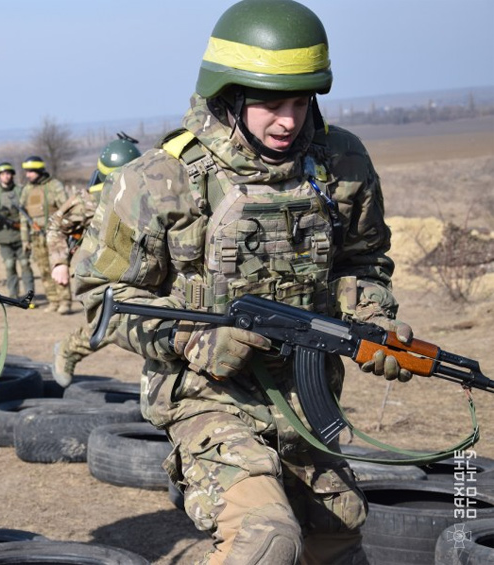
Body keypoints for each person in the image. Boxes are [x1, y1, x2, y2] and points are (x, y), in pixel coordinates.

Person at [74, 1, 415, 562]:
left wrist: (373, 320)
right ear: (230, 94)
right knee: (267, 540)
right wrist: (194, 337)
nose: (288, 120)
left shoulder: (343, 163)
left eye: (301, 102)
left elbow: (365, 262)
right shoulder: (159, 178)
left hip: (308, 400)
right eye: (270, 103)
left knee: (338, 533)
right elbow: (99, 298)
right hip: (205, 399)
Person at [48, 134, 141, 386]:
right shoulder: (88, 200)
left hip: (140, 269)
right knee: (111, 324)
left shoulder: (148, 193)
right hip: (101, 271)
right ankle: (69, 349)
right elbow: (56, 225)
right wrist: (59, 263)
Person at [19, 156, 71, 313]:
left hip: (54, 235)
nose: (27, 175)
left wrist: (62, 230)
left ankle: (65, 301)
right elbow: (23, 216)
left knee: (58, 266)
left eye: (30, 172)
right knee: (43, 269)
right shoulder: (27, 189)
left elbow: (66, 208)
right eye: (27, 171)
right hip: (36, 236)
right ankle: (53, 300)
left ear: (39, 171)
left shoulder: (54, 185)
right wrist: (25, 239)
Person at [0, 162, 34, 301]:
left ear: (12, 175)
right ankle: (13, 296)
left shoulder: (21, 190)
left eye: (8, 174)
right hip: (3, 236)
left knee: (25, 265)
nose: (6, 176)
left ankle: (30, 296)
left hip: (21, 235)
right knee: (9, 265)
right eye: (2, 174)